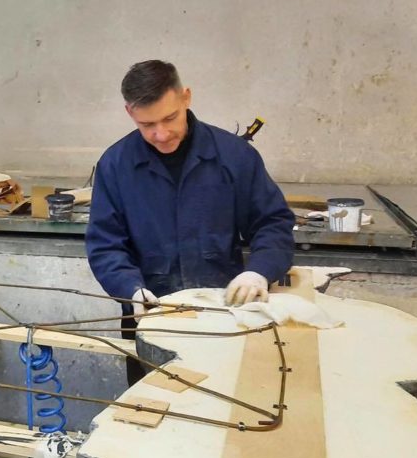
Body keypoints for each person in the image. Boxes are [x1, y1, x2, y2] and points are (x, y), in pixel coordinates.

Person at [86, 60, 294, 377]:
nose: (160, 134)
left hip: (226, 317)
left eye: (170, 118)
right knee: (154, 401)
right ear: (130, 113)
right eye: (147, 124)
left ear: (186, 97)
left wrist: (259, 272)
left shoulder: (234, 156)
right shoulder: (115, 166)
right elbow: (105, 245)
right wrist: (129, 289)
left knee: (226, 397)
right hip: (150, 321)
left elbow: (273, 223)